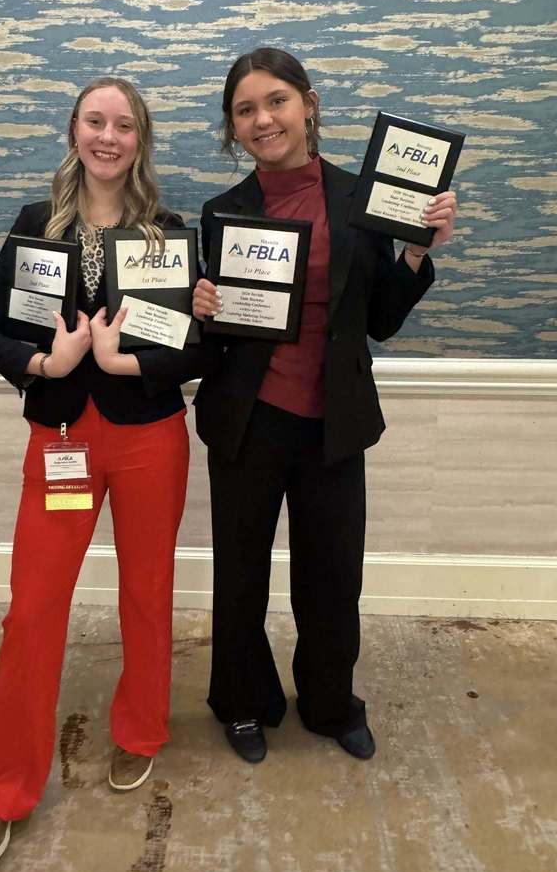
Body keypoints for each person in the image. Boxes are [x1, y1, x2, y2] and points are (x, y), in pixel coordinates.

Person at [0, 77, 214, 869]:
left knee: (147, 590)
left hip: (149, 435)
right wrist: (49, 359)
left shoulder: (169, 233)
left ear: (142, 140)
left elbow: (196, 350)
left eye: (125, 125)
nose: (109, 137)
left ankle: (140, 730)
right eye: (96, 121)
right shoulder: (36, 226)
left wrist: (125, 358)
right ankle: (1, 788)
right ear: (73, 130)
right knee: (32, 610)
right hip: (61, 438)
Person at [192, 47, 462, 765]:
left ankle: (330, 702)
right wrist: (201, 306)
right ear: (234, 127)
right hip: (248, 422)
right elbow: (215, 334)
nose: (262, 119)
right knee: (240, 576)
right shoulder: (223, 211)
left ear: (308, 104)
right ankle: (243, 701)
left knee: (334, 577)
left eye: (274, 100)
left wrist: (413, 254)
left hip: (334, 421)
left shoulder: (362, 200)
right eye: (245, 110)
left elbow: (380, 321)